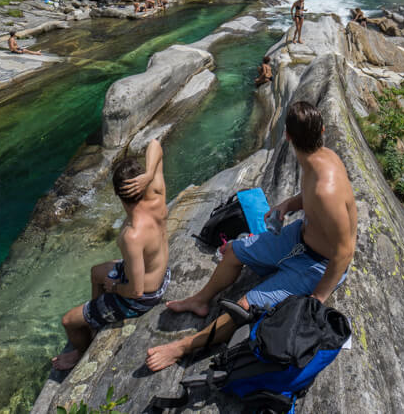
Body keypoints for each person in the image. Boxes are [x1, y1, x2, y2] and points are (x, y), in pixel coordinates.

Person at [145, 101, 357, 372]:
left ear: (287, 135)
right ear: (322, 131)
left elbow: (345, 251)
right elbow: (310, 196)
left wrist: (317, 299)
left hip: (318, 265)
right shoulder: (320, 157)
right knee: (233, 251)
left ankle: (182, 347)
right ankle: (200, 299)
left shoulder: (327, 189)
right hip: (299, 238)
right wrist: (286, 206)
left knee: (245, 304)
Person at [52, 139, 171, 371]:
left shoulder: (132, 235)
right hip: (160, 274)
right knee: (96, 272)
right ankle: (96, 318)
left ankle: (80, 352)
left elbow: (136, 291)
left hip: (144, 296)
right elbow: (156, 144)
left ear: (118, 194)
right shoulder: (156, 194)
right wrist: (149, 173)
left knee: (68, 321)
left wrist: (114, 286)